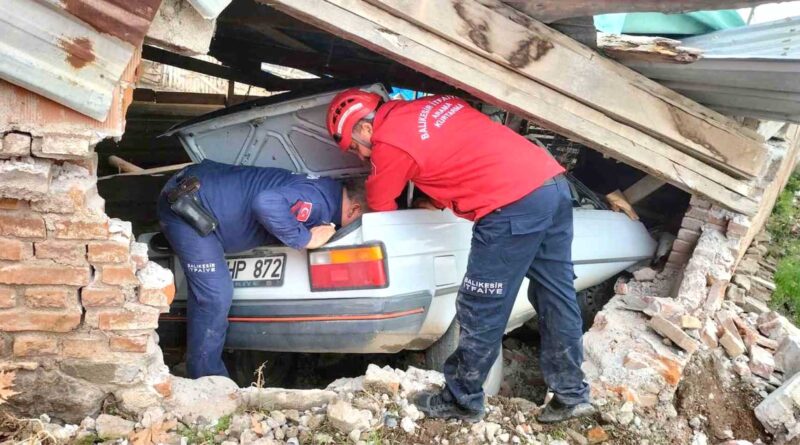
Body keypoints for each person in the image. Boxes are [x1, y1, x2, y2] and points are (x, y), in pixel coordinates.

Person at [326, 89, 594, 424]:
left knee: (480, 304)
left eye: (355, 147)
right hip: (550, 185)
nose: (362, 156)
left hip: (510, 205)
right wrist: (436, 198)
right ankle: (572, 395)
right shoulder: (434, 103)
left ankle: (462, 399)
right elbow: (459, 153)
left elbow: (381, 206)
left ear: (365, 129)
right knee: (555, 292)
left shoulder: (389, 143)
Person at [157, 159, 366, 378]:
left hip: (205, 189)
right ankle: (206, 380)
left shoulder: (327, 191)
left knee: (213, 293)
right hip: (187, 205)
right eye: (359, 220)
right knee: (215, 295)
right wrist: (305, 239)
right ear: (354, 209)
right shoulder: (317, 202)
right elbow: (266, 203)